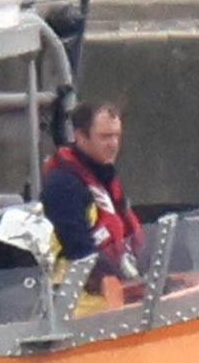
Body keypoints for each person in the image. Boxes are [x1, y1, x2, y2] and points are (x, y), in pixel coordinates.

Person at [39, 101, 142, 292]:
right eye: (104, 137)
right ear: (80, 137)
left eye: (116, 136)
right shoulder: (64, 186)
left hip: (113, 292)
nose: (113, 144)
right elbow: (79, 251)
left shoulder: (104, 176)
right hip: (80, 304)